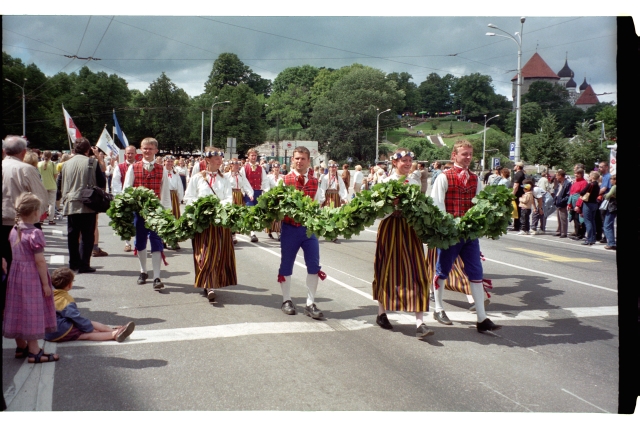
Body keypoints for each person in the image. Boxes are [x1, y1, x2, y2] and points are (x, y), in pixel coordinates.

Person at [431, 140, 502, 333]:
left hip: (469, 235)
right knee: (442, 269)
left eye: (470, 154)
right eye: (464, 154)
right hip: (449, 234)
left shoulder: (475, 179)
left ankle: (481, 318)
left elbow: (478, 204)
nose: (468, 157)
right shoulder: (444, 177)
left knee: (476, 272)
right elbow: (437, 205)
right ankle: (438, 308)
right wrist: (445, 228)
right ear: (454, 155)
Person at [373, 149, 433, 339]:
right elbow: (379, 212)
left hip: (410, 228)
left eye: (409, 160)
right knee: (386, 268)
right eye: (404, 160)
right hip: (391, 227)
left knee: (417, 269)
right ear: (394, 163)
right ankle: (381, 312)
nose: (407, 163)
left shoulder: (414, 181)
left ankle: (420, 322)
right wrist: (392, 204)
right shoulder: (385, 182)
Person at [3, 193, 59, 363]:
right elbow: (40, 261)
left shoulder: (14, 229)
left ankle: (21, 346)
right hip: (31, 276)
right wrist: (45, 284)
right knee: (31, 310)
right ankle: (34, 351)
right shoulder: (35, 233)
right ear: (35, 213)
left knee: (18, 307)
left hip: (16, 274)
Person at [277, 146, 327, 319]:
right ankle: (286, 300)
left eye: (303, 158)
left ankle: (310, 303)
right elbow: (277, 204)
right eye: (296, 158)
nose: (299, 161)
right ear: (292, 160)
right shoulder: (284, 180)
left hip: (308, 229)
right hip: (290, 228)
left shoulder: (314, 181)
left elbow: (318, 203)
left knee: (314, 265)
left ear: (308, 160)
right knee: (286, 264)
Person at [184, 147, 236, 303]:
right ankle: (208, 284)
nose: (220, 162)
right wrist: (201, 206)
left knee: (217, 253)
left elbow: (228, 198)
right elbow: (189, 197)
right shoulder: (197, 178)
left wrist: (218, 208)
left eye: (220, 159)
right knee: (204, 253)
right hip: (202, 222)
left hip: (219, 222)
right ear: (207, 160)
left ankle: (211, 284)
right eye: (216, 159)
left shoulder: (225, 179)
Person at [123, 137, 171, 290]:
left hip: (156, 211)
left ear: (156, 151)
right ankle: (143, 271)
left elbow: (165, 193)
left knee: (156, 241)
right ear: (140, 149)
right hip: (139, 211)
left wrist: (166, 212)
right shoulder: (134, 168)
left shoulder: (162, 169)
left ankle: (157, 276)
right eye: (144, 148)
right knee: (140, 241)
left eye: (150, 149)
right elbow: (126, 189)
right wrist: (126, 208)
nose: (147, 151)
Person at [45, 267, 135, 342]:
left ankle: (114, 331)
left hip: (47, 333)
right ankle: (113, 333)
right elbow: (76, 318)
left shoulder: (49, 295)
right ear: (69, 285)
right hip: (61, 329)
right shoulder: (65, 300)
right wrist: (89, 328)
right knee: (86, 333)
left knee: (81, 332)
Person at [61, 138, 106, 273]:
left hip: (70, 202)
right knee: (87, 235)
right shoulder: (92, 162)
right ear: (88, 150)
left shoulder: (65, 164)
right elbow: (102, 182)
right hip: (88, 202)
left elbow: (60, 183)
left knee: (72, 235)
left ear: (74, 149)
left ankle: (73, 263)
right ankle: (84, 264)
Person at [239, 148, 270, 242]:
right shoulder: (244, 168)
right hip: (249, 193)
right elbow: (242, 182)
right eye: (252, 155)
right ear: (248, 157)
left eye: (255, 155)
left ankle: (252, 229)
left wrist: (265, 191)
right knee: (250, 212)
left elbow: (265, 180)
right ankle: (252, 233)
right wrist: (247, 193)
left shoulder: (261, 168)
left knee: (257, 213)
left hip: (258, 192)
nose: (253, 157)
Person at [112, 145, 137, 252]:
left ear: (136, 154)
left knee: (138, 221)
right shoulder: (120, 167)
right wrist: (120, 197)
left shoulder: (139, 166)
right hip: (124, 198)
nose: (130, 155)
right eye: (128, 153)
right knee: (126, 222)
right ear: (125, 154)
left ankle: (138, 243)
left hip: (137, 198)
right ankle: (127, 243)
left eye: (132, 153)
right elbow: (116, 182)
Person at [318, 161, 348, 243]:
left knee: (336, 216)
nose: (333, 169)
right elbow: (322, 189)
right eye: (331, 167)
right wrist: (321, 200)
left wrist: (344, 198)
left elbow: (342, 188)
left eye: (335, 167)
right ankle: (328, 232)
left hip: (336, 198)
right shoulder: (325, 178)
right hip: (328, 198)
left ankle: (334, 233)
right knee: (328, 215)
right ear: (329, 168)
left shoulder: (339, 178)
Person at [225, 159, 254, 244]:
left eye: (238, 165)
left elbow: (246, 185)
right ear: (231, 165)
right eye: (235, 165)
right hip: (230, 195)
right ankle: (229, 234)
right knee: (230, 215)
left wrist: (250, 194)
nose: (237, 166)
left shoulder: (241, 176)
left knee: (238, 215)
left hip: (239, 195)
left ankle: (234, 235)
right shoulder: (226, 176)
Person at [164, 155, 184, 250]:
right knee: (165, 217)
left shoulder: (176, 174)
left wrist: (179, 199)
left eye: (171, 162)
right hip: (164, 196)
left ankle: (173, 240)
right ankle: (164, 239)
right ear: (164, 162)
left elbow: (179, 186)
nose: (170, 163)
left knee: (175, 218)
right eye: (168, 161)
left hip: (173, 196)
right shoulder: (161, 172)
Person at [576, 171, 600, 246]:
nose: (589, 177)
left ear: (593, 177)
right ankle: (593, 238)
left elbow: (582, 192)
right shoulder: (598, 185)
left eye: (590, 176)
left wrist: (581, 194)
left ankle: (589, 239)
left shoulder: (591, 184)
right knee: (592, 221)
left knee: (588, 221)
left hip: (588, 203)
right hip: (594, 203)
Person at [37, 150, 58, 225]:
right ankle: (51, 220)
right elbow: (55, 176)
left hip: (42, 186)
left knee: (42, 203)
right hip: (52, 185)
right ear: (50, 156)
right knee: (52, 203)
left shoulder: (39, 164)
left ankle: (41, 219)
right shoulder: (53, 164)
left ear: (43, 155)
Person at [264, 162, 283, 240]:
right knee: (271, 215)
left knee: (278, 216)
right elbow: (267, 187)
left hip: (279, 198)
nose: (276, 169)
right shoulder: (269, 177)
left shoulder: (282, 178)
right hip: (271, 197)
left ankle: (279, 233)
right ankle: (269, 231)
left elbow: (283, 187)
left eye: (278, 168)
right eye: (275, 168)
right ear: (272, 169)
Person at [567, 168, 587, 240]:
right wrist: (569, 204)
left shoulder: (584, 183)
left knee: (580, 219)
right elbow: (571, 193)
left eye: (578, 173)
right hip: (573, 202)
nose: (576, 175)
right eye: (575, 173)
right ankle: (577, 232)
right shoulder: (575, 182)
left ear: (582, 174)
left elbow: (582, 195)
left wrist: (578, 205)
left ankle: (581, 234)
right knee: (575, 218)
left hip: (579, 203)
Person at [597, 161, 612, 244]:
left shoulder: (608, 176)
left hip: (606, 200)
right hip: (603, 199)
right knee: (602, 218)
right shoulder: (603, 176)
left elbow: (604, 189)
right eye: (599, 167)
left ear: (606, 167)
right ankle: (605, 236)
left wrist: (595, 194)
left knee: (604, 219)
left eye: (601, 167)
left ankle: (606, 237)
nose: (600, 168)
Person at [553, 170, 571, 238]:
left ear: (560, 176)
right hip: (558, 202)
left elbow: (568, 194)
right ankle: (559, 231)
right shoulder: (559, 183)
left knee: (563, 218)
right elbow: (557, 192)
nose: (556, 177)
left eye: (557, 175)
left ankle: (564, 232)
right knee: (559, 217)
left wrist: (563, 201)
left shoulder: (567, 183)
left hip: (562, 203)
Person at [510, 162, 526, 231]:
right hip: (520, 194)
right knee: (518, 210)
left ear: (518, 167)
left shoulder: (518, 174)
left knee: (516, 210)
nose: (514, 167)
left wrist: (512, 195)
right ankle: (517, 225)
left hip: (517, 195)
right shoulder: (522, 173)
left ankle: (517, 226)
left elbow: (516, 186)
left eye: (515, 165)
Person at [602, 174, 616, 250]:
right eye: (610, 179)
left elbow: (607, 196)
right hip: (613, 207)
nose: (611, 180)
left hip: (612, 207)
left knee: (607, 225)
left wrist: (606, 195)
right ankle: (612, 242)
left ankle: (611, 243)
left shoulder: (614, 187)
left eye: (612, 179)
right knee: (610, 225)